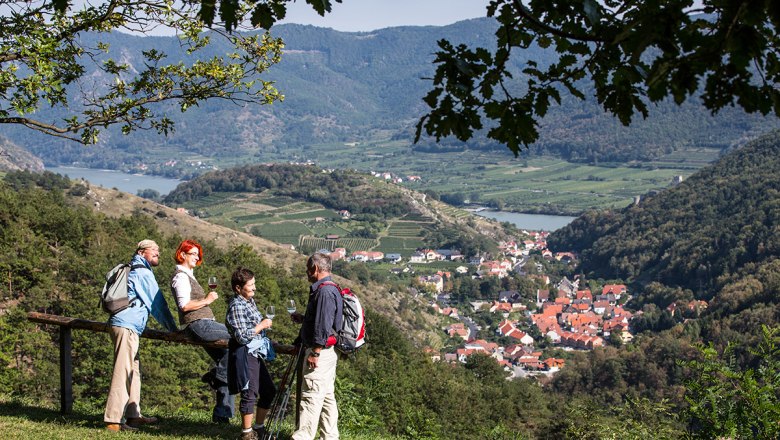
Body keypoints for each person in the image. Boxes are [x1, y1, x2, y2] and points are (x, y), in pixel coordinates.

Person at [104, 239, 178, 432]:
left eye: (158, 250)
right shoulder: (143, 272)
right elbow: (157, 304)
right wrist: (173, 329)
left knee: (133, 371)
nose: (158, 253)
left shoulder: (133, 269)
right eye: (154, 249)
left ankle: (133, 415)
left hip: (124, 325)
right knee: (123, 371)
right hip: (127, 326)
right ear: (141, 252)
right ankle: (113, 420)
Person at [170, 239, 234, 424]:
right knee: (239, 337)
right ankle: (216, 376)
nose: (197, 258)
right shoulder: (181, 277)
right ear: (182, 254)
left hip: (204, 324)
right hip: (198, 325)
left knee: (229, 359)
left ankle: (222, 415)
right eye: (193, 254)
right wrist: (207, 300)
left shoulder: (188, 275)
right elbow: (184, 306)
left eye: (198, 255)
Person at [291, 252, 343, 440]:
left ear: (315, 268)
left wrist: (315, 351)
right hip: (329, 352)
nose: (306, 272)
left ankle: (303, 436)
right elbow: (324, 321)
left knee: (311, 396)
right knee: (327, 396)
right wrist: (305, 319)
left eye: (308, 268)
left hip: (320, 353)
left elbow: (323, 325)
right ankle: (330, 436)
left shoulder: (324, 292)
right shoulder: (331, 289)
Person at [226, 267, 277, 440]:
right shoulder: (237, 306)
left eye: (254, 283)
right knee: (250, 392)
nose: (254, 287)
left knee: (268, 390)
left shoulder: (249, 301)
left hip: (255, 352)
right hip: (245, 352)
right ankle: (246, 433)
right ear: (238, 288)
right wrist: (261, 326)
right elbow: (241, 336)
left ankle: (258, 428)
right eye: (250, 285)